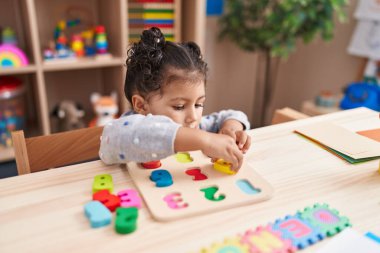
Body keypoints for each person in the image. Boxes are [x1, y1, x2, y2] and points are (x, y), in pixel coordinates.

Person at [99, 27, 251, 172]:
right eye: (179, 106)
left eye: (199, 104)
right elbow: (110, 139)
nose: (193, 117)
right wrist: (205, 140)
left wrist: (231, 129)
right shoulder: (128, 130)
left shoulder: (197, 127)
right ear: (141, 105)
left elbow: (231, 115)